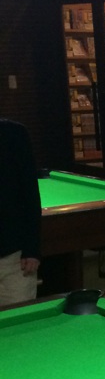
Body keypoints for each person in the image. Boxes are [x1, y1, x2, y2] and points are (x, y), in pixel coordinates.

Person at [0, 118, 42, 307]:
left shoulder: (14, 133)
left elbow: (30, 194)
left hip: (14, 258)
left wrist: (32, 250)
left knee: (19, 319)